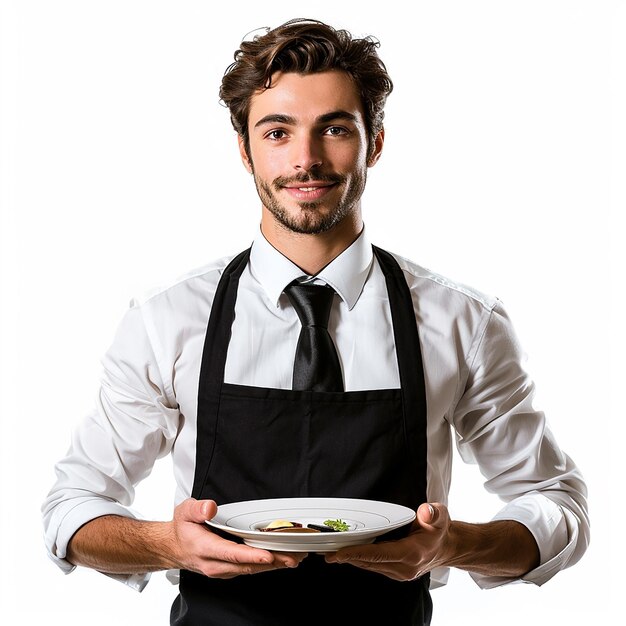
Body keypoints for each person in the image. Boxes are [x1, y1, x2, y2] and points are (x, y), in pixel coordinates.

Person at [42, 18, 589, 626]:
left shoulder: (464, 321)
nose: (306, 160)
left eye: (334, 129)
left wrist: (453, 544)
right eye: (278, 132)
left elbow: (555, 505)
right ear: (245, 150)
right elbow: (72, 509)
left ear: (375, 141)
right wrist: (167, 545)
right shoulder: (167, 320)